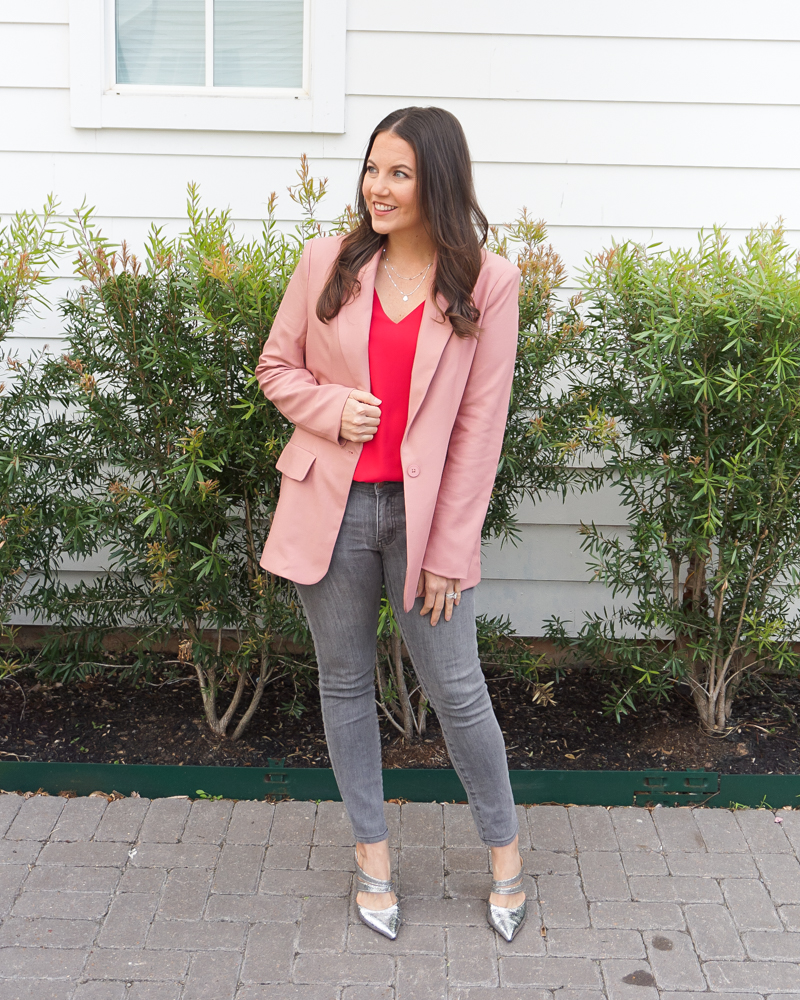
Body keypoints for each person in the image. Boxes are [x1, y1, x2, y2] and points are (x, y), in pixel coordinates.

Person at [254, 106, 524, 942]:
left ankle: (506, 855)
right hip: (329, 510)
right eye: (373, 168)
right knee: (343, 684)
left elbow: (481, 429)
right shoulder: (324, 262)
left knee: (457, 689)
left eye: (399, 172)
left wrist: (450, 550)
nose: (378, 186)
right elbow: (276, 367)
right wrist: (336, 409)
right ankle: (372, 855)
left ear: (436, 180)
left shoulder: (488, 281)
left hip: (423, 519)